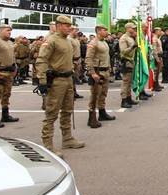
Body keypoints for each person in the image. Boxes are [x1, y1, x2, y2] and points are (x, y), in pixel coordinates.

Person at [35, 15, 85, 157]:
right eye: (67, 25)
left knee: (68, 110)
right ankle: (48, 145)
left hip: (68, 78)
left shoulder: (67, 41)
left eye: (70, 25)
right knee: (51, 113)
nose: (70, 28)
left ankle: (67, 138)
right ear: (58, 25)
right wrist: (42, 80)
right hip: (56, 81)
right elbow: (42, 60)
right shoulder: (51, 40)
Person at [85, 25, 116, 127]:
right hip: (98, 72)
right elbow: (88, 58)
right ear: (98, 31)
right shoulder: (93, 43)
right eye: (104, 30)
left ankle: (102, 113)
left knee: (103, 94)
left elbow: (106, 57)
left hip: (105, 71)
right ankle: (91, 117)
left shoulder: (104, 42)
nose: (106, 31)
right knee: (95, 95)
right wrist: (92, 73)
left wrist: (110, 67)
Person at [119, 22, 138, 108]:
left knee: (129, 81)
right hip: (126, 61)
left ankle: (128, 97)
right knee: (126, 81)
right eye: (132, 28)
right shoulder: (124, 38)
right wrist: (132, 47)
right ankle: (124, 100)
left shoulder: (131, 37)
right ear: (128, 28)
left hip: (131, 61)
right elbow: (123, 51)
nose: (134, 29)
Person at [152, 27, 164, 91]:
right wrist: (156, 58)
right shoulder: (154, 38)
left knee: (158, 71)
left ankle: (157, 84)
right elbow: (154, 49)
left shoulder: (157, 38)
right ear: (156, 31)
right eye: (159, 31)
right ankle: (154, 85)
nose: (160, 32)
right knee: (156, 72)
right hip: (156, 57)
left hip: (159, 56)